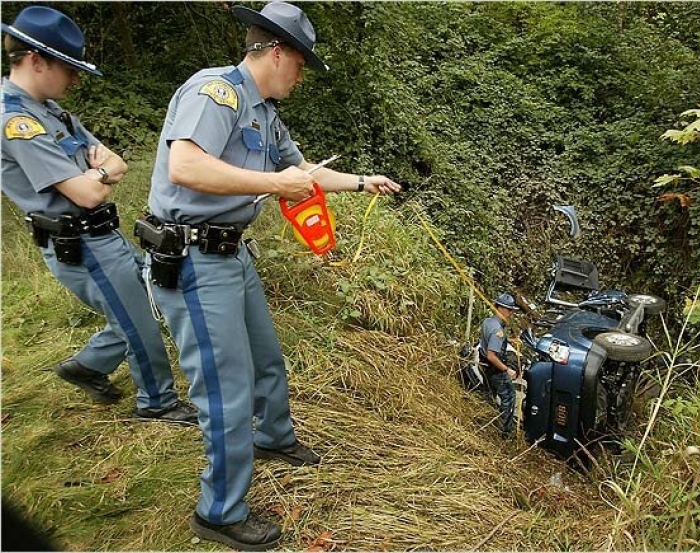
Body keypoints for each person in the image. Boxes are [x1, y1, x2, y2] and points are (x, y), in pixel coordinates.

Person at [140, 2, 401, 549]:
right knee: (225, 388)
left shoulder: (265, 114)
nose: (301, 75)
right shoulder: (217, 93)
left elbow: (302, 173)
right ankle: (219, 510)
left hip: (234, 254)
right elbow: (184, 166)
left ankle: (274, 437)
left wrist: (360, 181)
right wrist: (276, 186)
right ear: (277, 52)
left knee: (265, 358)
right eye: (300, 63)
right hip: (193, 259)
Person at [1, 6, 197, 425]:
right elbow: (87, 194)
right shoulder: (16, 122)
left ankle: (87, 366)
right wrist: (98, 175)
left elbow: (117, 162)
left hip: (102, 236)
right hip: (80, 242)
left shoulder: (51, 112)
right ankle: (157, 403)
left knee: (140, 302)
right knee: (139, 320)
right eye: (68, 68)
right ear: (36, 60)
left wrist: (99, 172)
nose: (74, 79)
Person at [479, 293, 521, 436]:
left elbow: (489, 342)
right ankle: (505, 432)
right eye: (510, 310)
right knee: (509, 397)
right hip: (495, 369)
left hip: (484, 365)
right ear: (501, 309)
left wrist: (509, 340)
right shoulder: (498, 331)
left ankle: (486, 419)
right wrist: (507, 369)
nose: (511, 314)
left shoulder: (488, 322)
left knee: (489, 393)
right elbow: (492, 356)